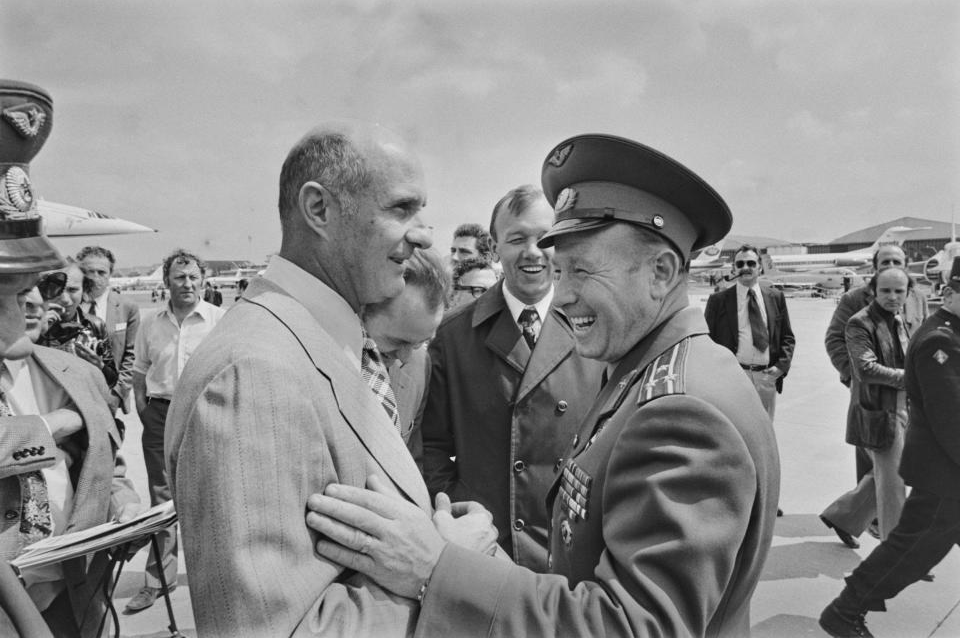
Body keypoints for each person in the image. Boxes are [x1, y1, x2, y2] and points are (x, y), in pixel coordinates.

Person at [307, 133, 780, 636]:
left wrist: (435, 568)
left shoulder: (682, 411)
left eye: (580, 271)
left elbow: (629, 627)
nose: (565, 295)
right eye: (561, 270)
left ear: (660, 273)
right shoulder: (658, 368)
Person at [165, 120, 496, 636]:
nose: (426, 234)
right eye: (401, 209)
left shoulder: (314, 339)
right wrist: (448, 571)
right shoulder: (253, 373)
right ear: (318, 209)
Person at [0, 78, 141, 637]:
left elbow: (106, 464)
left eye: (33, 287)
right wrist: (53, 425)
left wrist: (125, 506)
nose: (31, 306)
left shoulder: (74, 371)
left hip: (78, 597)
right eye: (8, 292)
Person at [420, 184, 604, 571]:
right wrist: (459, 511)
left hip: (576, 544)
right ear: (496, 249)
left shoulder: (598, 327)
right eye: (517, 238)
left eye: (544, 238)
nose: (533, 252)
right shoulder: (453, 336)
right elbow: (431, 446)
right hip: (489, 547)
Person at [819, 257, 960, 638]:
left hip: (938, 458)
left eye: (901, 290)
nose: (895, 297)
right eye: (887, 289)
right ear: (949, 293)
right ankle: (846, 610)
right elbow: (951, 420)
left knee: (912, 546)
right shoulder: (939, 340)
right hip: (942, 470)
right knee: (910, 550)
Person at [125, 248, 226, 612]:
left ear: (203, 281)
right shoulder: (152, 323)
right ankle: (158, 581)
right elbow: (139, 370)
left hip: (205, 414)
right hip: (160, 413)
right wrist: (143, 409)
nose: (187, 284)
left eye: (193, 277)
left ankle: (217, 579)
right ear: (166, 282)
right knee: (161, 501)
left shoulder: (219, 319)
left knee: (210, 498)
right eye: (179, 278)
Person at [823, 244, 926, 532]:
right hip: (876, 400)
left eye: (896, 261)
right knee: (893, 477)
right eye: (885, 262)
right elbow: (838, 344)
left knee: (893, 469)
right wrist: (853, 377)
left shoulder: (915, 299)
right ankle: (893, 551)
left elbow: (922, 339)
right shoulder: (857, 306)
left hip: (911, 400)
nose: (893, 296)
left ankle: (845, 516)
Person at [361, 247, 450, 459]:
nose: (405, 358)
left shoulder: (420, 366)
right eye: (396, 342)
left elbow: (412, 461)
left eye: (421, 343)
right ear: (361, 311)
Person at [704, 244, 796, 422]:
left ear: (759, 267)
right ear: (734, 268)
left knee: (764, 433)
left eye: (751, 263)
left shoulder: (775, 297)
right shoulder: (718, 301)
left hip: (766, 378)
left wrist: (780, 368)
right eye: (740, 264)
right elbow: (708, 341)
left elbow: (787, 336)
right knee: (735, 432)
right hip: (734, 378)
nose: (745, 267)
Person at [76, 245, 140, 414]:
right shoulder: (68, 304)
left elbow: (132, 356)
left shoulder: (128, 307)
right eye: (88, 271)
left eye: (101, 272)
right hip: (72, 391)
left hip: (109, 393)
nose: (94, 277)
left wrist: (117, 394)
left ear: (110, 274)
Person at [37, 264, 118, 390]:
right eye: (57, 289)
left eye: (72, 290)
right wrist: (38, 333)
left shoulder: (95, 325)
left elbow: (112, 380)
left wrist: (99, 365)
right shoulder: (32, 324)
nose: (65, 299)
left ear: (84, 291)